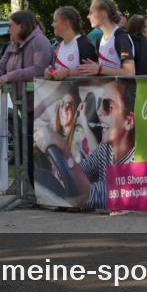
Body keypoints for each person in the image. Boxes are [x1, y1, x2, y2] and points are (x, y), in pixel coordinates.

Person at [58, 79, 136, 211]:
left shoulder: (137, 159)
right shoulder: (105, 148)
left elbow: (102, 194)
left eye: (107, 106)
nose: (99, 111)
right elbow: (79, 171)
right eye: (99, 104)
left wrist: (61, 147)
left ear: (128, 121)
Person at [0, 11, 54, 89]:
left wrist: (10, 76)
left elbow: (39, 70)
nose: (8, 30)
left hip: (37, 99)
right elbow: (0, 67)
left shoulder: (40, 41)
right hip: (14, 99)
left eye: (10, 26)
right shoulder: (12, 45)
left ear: (21, 26)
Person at [73, 0, 136, 78]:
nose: (88, 16)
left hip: (123, 90)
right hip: (106, 90)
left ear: (103, 13)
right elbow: (106, 68)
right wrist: (92, 68)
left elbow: (130, 72)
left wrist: (99, 69)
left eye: (91, 12)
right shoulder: (99, 40)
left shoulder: (121, 37)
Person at [45, 6, 97, 80]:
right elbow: (56, 69)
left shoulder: (83, 44)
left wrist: (68, 72)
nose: (52, 24)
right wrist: (49, 72)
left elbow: (93, 73)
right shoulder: (59, 45)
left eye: (55, 21)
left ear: (66, 24)